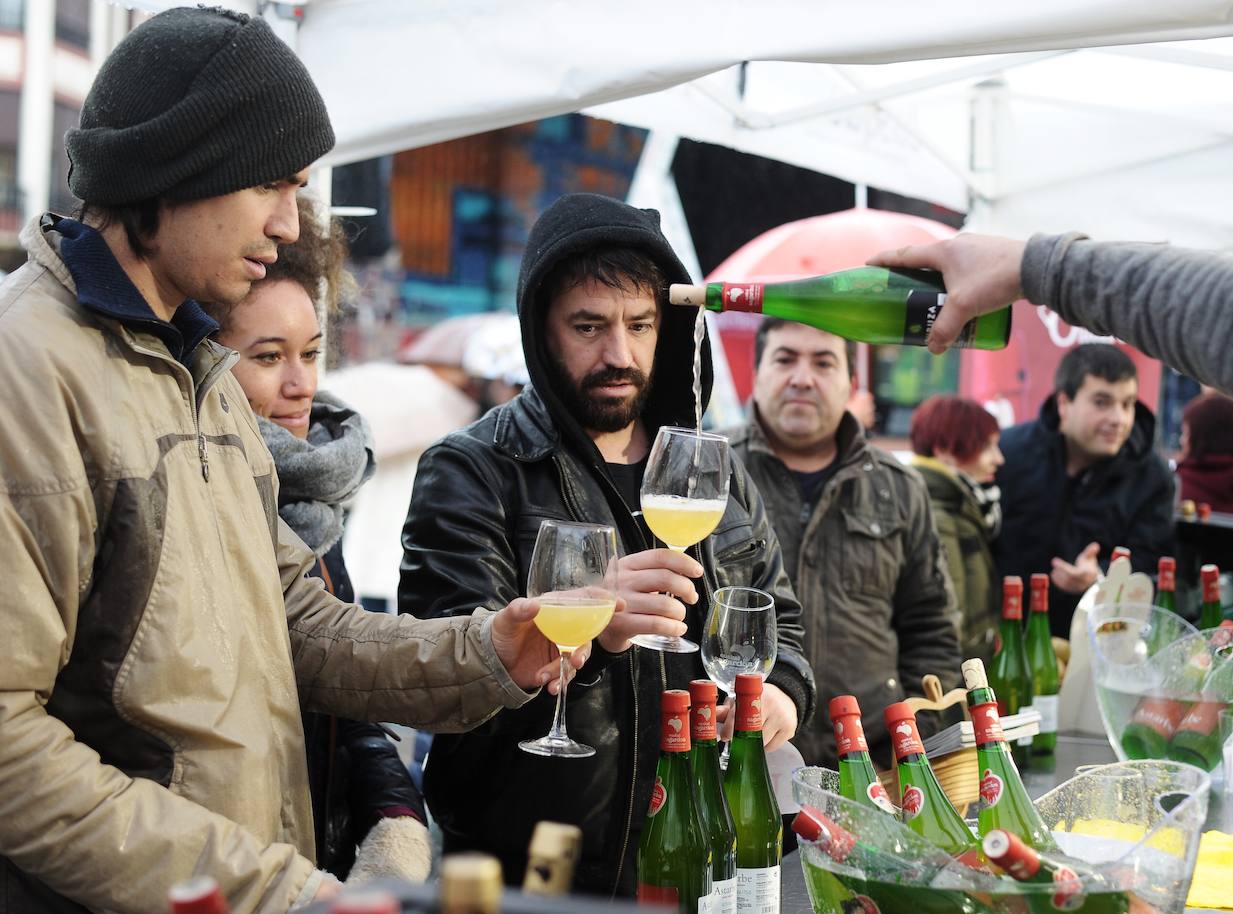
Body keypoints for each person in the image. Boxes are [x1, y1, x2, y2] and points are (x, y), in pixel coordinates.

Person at [0, 10, 588, 912]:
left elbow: (302, 623)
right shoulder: (29, 369)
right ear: (175, 169)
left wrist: (491, 650)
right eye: (272, 183)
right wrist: (274, 890)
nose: (289, 222)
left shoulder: (193, 362)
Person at [866, 127, 1233, 911]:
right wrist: (1042, 268)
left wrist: (1112, 589)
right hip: (1019, 679)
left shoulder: (1148, 477)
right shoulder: (1018, 453)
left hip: (1098, 678)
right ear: (1063, 402)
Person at [398, 193, 816, 895]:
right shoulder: (476, 470)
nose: (618, 354)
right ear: (541, 331)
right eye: (588, 326)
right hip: (545, 871)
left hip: (700, 856)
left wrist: (780, 696)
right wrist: (584, 642)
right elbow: (444, 687)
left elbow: (784, 625)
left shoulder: (710, 469)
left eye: (641, 325)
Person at [203, 194, 430, 883]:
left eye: (311, 352)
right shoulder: (200, 495)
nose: (302, 385)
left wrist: (394, 820)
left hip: (319, 866)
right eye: (269, 357)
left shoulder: (315, 497)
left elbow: (340, 693)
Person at [727, 318, 961, 767]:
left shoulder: (900, 487)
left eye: (823, 362)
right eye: (785, 359)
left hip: (868, 767)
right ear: (756, 374)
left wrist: (911, 746)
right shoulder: (711, 474)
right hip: (733, 766)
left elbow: (932, 632)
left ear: (851, 382)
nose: (802, 377)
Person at [992, 343, 1175, 636]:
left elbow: (1152, 564)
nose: (1119, 418)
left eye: (1127, 404)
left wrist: (1101, 576)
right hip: (1001, 637)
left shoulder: (1152, 478)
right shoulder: (1007, 455)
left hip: (1095, 647)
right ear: (1064, 404)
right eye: (1102, 402)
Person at [908, 394, 1005, 665]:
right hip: (960, 681)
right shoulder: (938, 514)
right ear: (944, 450)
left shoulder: (959, 506)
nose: (999, 459)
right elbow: (950, 624)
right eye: (987, 447)